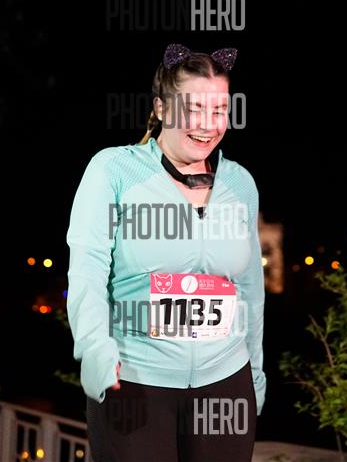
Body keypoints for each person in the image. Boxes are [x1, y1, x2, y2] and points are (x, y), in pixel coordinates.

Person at [66, 43, 266, 462]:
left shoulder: (240, 183)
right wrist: (97, 356)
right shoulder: (114, 170)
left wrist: (255, 374)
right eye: (194, 109)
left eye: (219, 110)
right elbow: (87, 272)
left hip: (226, 383)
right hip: (135, 381)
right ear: (160, 108)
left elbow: (250, 289)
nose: (208, 124)